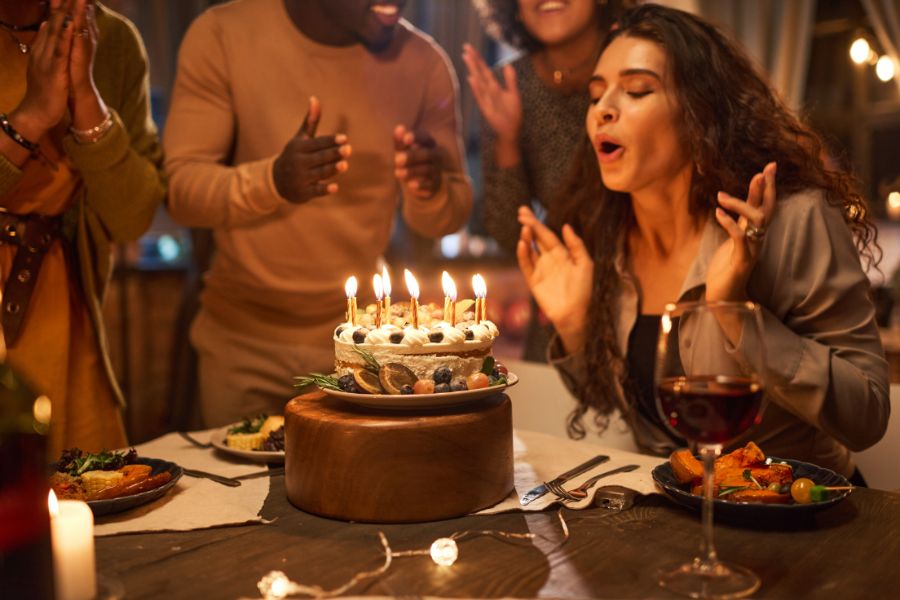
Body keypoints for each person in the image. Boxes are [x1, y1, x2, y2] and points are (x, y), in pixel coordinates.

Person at [516, 4, 890, 481]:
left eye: (636, 90)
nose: (603, 110)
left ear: (699, 112)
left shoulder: (791, 218)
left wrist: (733, 311)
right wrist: (573, 325)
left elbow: (868, 413)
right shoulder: (609, 236)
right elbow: (627, 409)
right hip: (680, 518)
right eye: (595, 95)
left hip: (795, 515)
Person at [164, 0, 473, 427]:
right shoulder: (222, 34)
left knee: (355, 489)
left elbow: (446, 218)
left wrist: (429, 190)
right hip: (240, 341)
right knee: (235, 490)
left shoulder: (425, 63)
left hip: (358, 345)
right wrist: (273, 180)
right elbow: (181, 193)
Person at [0, 0, 165, 456]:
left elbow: (132, 218)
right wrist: (32, 116)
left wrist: (87, 103)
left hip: (64, 316)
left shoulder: (111, 39)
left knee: (91, 498)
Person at [463, 0, 625, 361]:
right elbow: (508, 232)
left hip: (645, 293)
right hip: (560, 305)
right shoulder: (508, 85)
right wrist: (507, 138)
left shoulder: (638, 65)